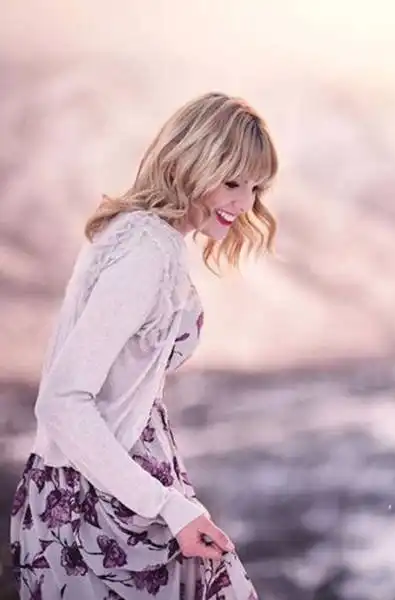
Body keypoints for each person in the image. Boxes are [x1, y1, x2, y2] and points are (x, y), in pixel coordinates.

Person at [10, 91, 278, 600]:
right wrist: (166, 506)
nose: (246, 203)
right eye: (232, 182)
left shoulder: (145, 237)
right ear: (192, 161)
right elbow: (62, 402)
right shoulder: (146, 251)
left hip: (115, 493)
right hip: (97, 508)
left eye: (255, 187)